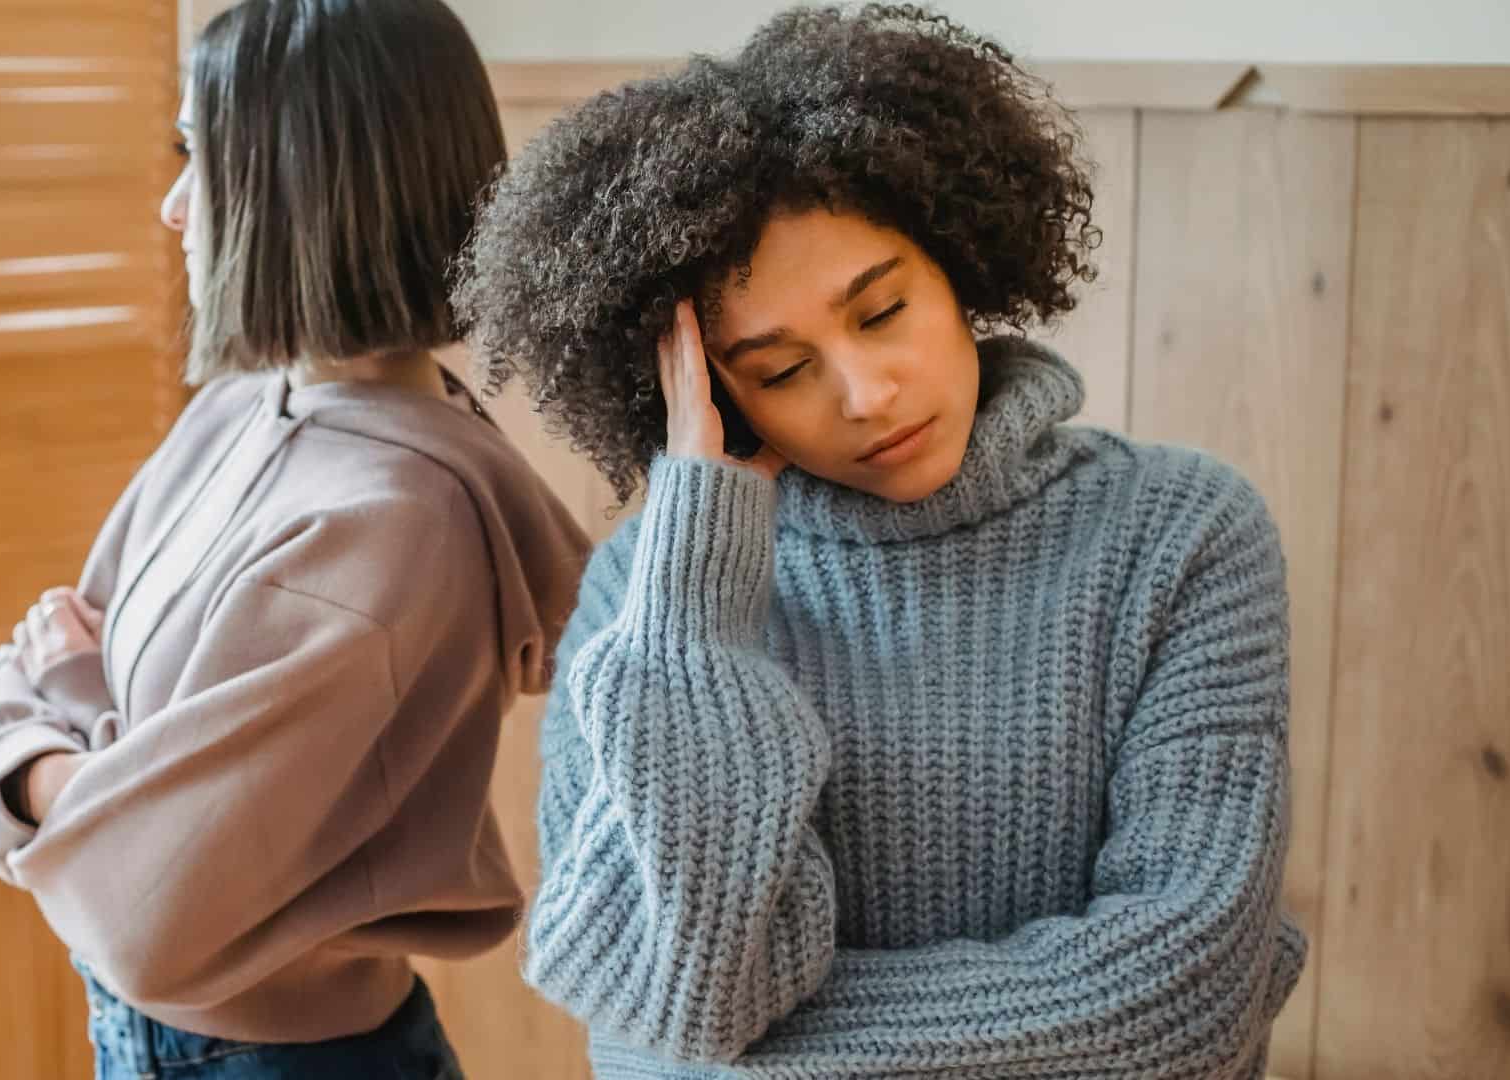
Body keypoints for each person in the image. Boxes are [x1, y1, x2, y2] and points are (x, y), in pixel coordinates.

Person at [453, 6, 1304, 1077]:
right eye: (780, 369)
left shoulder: (1180, 534)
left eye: (883, 309)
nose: (865, 393)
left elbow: (1182, 1005)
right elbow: (655, 1028)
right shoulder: (647, 605)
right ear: (714, 393)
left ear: (956, 262)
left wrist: (747, 1057)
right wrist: (696, 609)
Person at [0, 1, 589, 1077]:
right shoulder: (243, 408)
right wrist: (83, 762)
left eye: (202, 158)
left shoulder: (391, 526)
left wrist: (58, 746)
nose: (174, 206)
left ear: (304, 186)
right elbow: (11, 685)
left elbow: (138, 916)